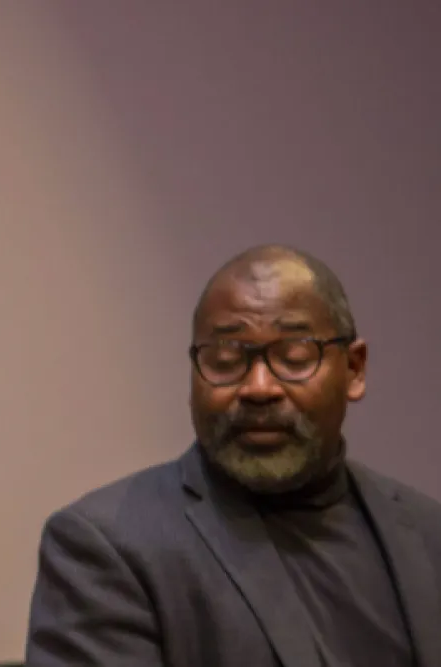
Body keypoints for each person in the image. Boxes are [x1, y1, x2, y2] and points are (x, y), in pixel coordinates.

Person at [23, 244, 441, 666]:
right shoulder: (107, 547)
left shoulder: (428, 534)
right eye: (226, 360)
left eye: (294, 357)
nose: (259, 387)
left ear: (354, 369)